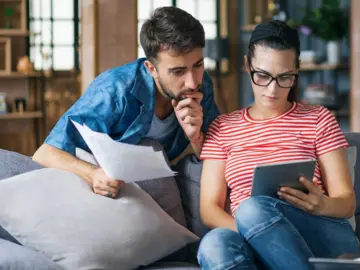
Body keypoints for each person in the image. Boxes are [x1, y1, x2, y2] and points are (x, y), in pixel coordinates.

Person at [197, 20, 360, 270]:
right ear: (246, 65)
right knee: (214, 244)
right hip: (252, 238)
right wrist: (254, 232)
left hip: (321, 234)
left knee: (251, 210)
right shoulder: (223, 127)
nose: (272, 90)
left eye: (285, 77)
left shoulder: (318, 118)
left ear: (296, 71)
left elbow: (346, 201)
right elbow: (209, 210)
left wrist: (323, 205)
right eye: (262, 75)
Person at [32, 6, 220, 199]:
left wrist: (196, 138)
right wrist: (93, 174)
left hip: (159, 176)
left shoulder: (201, 84)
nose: (192, 82)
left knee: (206, 172)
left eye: (198, 65)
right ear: (151, 68)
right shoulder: (115, 89)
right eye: (178, 71)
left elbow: (218, 154)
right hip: (106, 181)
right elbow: (45, 153)